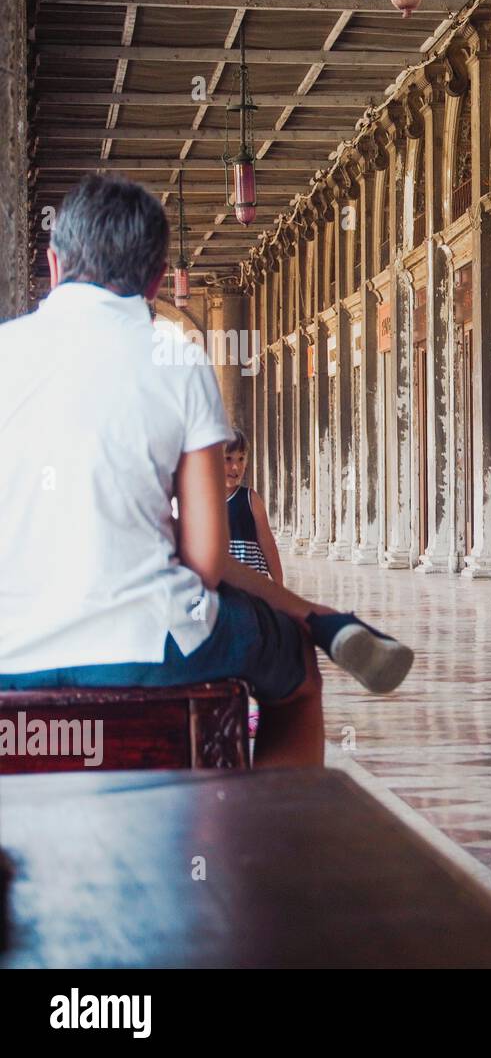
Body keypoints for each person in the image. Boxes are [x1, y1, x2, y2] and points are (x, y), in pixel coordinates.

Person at [0, 175, 413, 767]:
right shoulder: (179, 361)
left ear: (54, 262)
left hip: (9, 655)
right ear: (156, 277)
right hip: (148, 646)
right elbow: (209, 560)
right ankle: (260, 843)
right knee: (296, 672)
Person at [224, 428, 282, 584]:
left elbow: (268, 545)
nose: (235, 467)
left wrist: (279, 587)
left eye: (241, 459)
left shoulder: (250, 499)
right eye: (228, 459)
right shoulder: (205, 501)